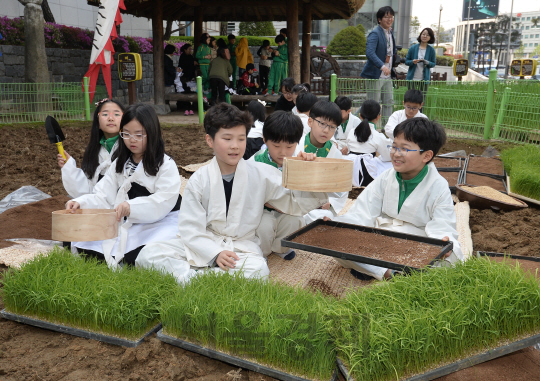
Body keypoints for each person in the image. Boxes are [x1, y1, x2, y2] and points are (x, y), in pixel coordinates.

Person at [134, 103, 334, 283]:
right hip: (206, 241)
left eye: (241, 139)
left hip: (241, 246)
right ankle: (202, 276)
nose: (235, 146)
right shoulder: (199, 180)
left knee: (258, 271)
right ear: (210, 140)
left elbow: (294, 204)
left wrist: (309, 171)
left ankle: (192, 278)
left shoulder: (261, 174)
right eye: (227, 138)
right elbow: (190, 229)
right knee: (148, 254)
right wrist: (214, 253)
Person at [333, 117, 463, 281]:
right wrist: (340, 228)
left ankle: (374, 268)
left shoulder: (439, 186)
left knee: (452, 259)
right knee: (340, 241)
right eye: (394, 147)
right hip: (381, 238)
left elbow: (443, 226)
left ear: (426, 155)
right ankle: (390, 274)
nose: (395, 153)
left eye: (404, 149)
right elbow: (362, 212)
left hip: (415, 244)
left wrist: (443, 242)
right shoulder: (386, 177)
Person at [65, 103, 182, 269]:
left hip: (157, 222)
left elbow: (163, 201)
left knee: (145, 253)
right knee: (78, 240)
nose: (132, 140)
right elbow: (104, 196)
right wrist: (81, 203)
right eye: (126, 134)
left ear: (152, 133)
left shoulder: (165, 165)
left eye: (139, 135)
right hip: (126, 221)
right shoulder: (120, 164)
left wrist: (132, 207)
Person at [252, 111, 305, 260]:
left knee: (297, 220)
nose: (283, 152)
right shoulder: (255, 161)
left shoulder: (297, 162)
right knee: (265, 226)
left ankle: (281, 249)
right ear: (265, 140)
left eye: (289, 147)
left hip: (286, 210)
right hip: (261, 211)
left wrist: (308, 164)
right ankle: (262, 252)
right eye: (276, 146)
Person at [57, 99, 125, 198]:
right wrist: (69, 168)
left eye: (116, 114)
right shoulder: (94, 152)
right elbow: (87, 190)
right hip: (100, 209)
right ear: (98, 122)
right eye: (105, 114)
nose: (111, 118)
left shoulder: (131, 149)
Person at [295, 100, 348, 223]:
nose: (326, 130)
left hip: (322, 208)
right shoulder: (296, 147)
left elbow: (342, 188)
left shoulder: (336, 155)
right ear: (310, 121)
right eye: (322, 124)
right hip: (296, 204)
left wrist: (330, 202)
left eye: (332, 127)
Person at [361, 6, 398, 126]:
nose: (390, 19)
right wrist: (382, 66)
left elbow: (391, 52)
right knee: (372, 105)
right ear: (379, 19)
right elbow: (369, 53)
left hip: (387, 76)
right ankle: (370, 129)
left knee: (388, 103)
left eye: (391, 16)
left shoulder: (390, 32)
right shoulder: (375, 33)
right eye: (386, 17)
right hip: (375, 75)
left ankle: (387, 129)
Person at [345, 99, 392, 187]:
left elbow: (349, 149)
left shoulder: (352, 132)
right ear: (378, 117)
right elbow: (387, 157)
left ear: (360, 116)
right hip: (367, 174)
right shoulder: (378, 136)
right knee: (392, 165)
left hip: (348, 170)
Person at [405, 27, 436, 107]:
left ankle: (420, 117)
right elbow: (406, 61)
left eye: (427, 35)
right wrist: (412, 62)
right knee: (410, 99)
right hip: (412, 78)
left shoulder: (431, 50)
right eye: (423, 34)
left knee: (421, 100)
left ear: (430, 38)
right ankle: (409, 117)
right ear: (420, 35)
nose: (425, 36)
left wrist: (427, 62)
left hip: (424, 79)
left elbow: (433, 63)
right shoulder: (413, 48)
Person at [178, 43, 196, 115]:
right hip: (184, 77)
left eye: (191, 49)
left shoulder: (191, 56)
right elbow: (184, 66)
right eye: (189, 49)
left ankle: (191, 107)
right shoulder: (182, 57)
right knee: (186, 92)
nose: (190, 50)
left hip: (191, 77)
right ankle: (187, 107)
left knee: (192, 91)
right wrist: (192, 63)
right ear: (185, 50)